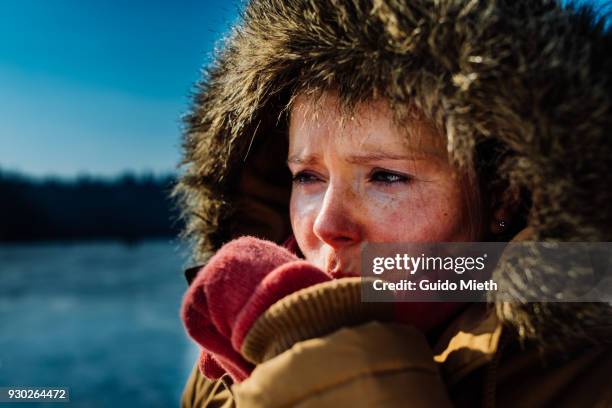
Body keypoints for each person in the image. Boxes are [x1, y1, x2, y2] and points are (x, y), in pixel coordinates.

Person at [175, 0, 612, 406]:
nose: (326, 225)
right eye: (308, 177)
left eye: (386, 176)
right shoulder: (226, 348)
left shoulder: (590, 365)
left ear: (504, 194)